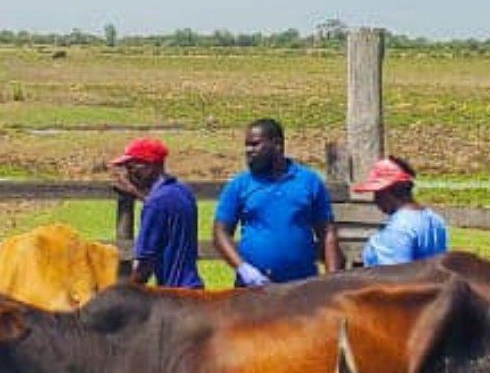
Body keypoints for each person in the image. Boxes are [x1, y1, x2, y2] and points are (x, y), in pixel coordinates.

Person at [212, 117, 339, 288]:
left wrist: (331, 281)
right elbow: (221, 233)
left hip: (303, 286)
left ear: (277, 144)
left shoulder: (309, 181)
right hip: (254, 289)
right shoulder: (240, 185)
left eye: (255, 144)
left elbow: (327, 233)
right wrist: (243, 269)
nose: (249, 150)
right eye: (247, 145)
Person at [108, 136, 202, 289]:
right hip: (193, 288)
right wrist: (136, 192)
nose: (128, 173)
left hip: (173, 295)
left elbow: (145, 268)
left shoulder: (156, 204)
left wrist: (122, 295)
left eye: (131, 167)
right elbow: (164, 208)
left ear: (150, 165)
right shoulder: (182, 190)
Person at [353, 156, 449, 267]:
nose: (375, 199)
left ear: (387, 192)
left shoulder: (398, 230)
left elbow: (394, 277)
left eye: (377, 193)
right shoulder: (435, 219)